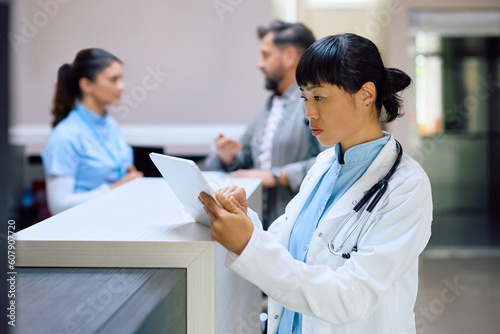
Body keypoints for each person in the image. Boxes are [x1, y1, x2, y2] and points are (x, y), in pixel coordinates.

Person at [199, 33, 433, 334]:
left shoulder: (406, 187)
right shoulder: (324, 166)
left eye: (319, 97)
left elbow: (352, 298)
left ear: (366, 95)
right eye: (304, 98)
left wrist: (248, 244)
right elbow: (283, 248)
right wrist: (244, 221)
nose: (309, 113)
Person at [204, 21, 320, 229]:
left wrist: (277, 176)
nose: (260, 63)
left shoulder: (314, 103)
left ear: (289, 56)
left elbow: (333, 161)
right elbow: (247, 155)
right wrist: (229, 156)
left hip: (298, 223)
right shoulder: (271, 104)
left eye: (266, 55)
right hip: (263, 222)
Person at [41, 48, 143, 215]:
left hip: (116, 218)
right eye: (113, 79)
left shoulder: (111, 125)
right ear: (86, 85)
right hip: (84, 231)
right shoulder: (65, 136)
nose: (122, 86)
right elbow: (59, 206)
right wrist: (117, 188)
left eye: (121, 79)